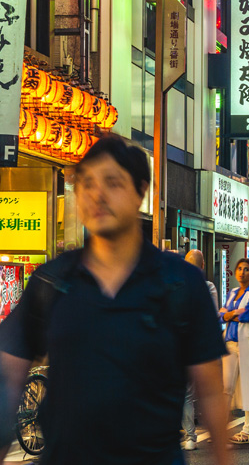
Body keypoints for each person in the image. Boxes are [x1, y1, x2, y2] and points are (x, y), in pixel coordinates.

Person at [0, 136, 230, 465]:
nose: (97, 194)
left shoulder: (180, 283)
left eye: (112, 182)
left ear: (141, 191)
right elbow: (8, 380)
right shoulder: (51, 282)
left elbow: (209, 391)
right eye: (87, 183)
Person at [220, 257, 249, 444]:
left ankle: (247, 431)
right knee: (226, 387)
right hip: (230, 343)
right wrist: (232, 314)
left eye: (246, 269)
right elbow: (221, 315)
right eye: (239, 268)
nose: (242, 272)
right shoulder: (232, 292)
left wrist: (231, 314)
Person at [182, 249, 220, 451]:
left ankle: (190, 436)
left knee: (185, 394)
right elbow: (213, 317)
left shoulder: (176, 285)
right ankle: (217, 436)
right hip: (203, 347)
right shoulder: (209, 287)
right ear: (203, 266)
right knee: (209, 392)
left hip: (183, 346)